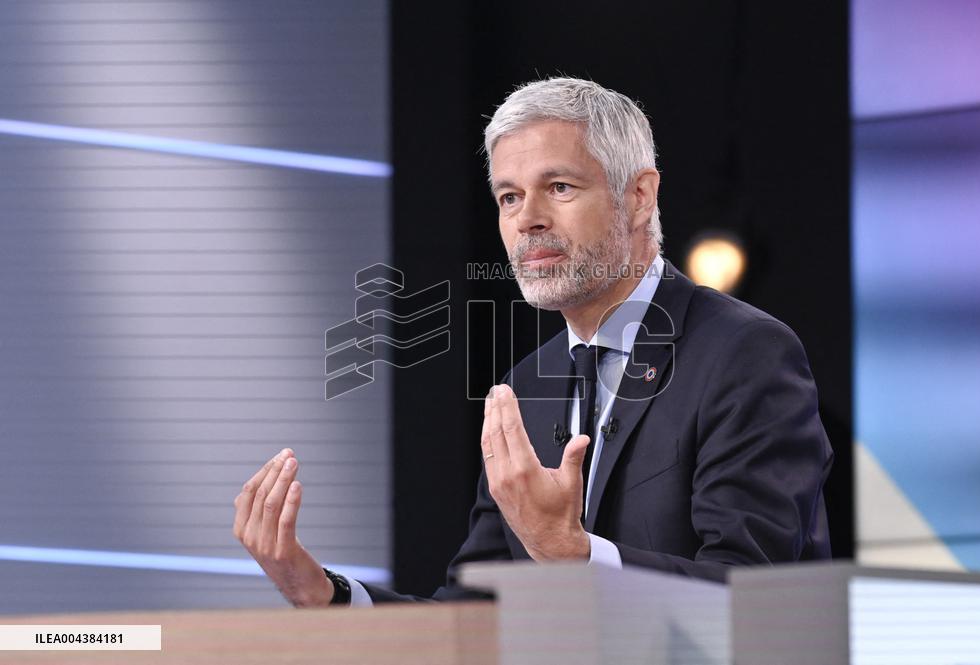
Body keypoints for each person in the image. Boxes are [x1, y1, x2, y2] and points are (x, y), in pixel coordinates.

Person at [232, 77, 833, 607]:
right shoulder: (527, 385)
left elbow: (755, 597)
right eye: (509, 197)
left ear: (639, 198)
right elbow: (475, 614)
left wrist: (571, 554)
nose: (527, 219)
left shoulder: (744, 353)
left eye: (561, 187)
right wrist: (326, 593)